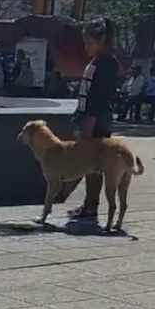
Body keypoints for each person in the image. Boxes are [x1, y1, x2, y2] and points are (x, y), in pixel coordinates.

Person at [54, 17, 120, 222]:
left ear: (103, 40)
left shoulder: (107, 63)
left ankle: (91, 205)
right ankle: (88, 204)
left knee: (93, 165)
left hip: (96, 121)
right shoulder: (97, 61)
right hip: (88, 118)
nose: (87, 47)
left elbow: (98, 99)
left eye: (90, 42)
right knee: (89, 164)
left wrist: (89, 125)